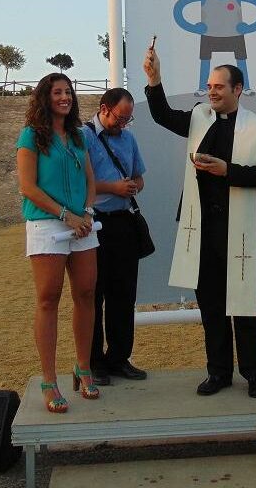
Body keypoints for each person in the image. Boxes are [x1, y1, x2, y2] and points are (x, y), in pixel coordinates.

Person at [143, 46, 256, 398]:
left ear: (237, 89)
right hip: (201, 229)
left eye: (219, 87)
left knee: (245, 303)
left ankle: (254, 373)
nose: (212, 92)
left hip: (238, 229)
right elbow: (163, 115)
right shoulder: (199, 117)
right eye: (210, 87)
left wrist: (228, 170)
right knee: (211, 305)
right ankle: (218, 372)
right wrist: (154, 80)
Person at [16, 73, 99, 413]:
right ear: (45, 98)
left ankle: (83, 367)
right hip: (48, 223)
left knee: (87, 293)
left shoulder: (79, 135)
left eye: (68, 92)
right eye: (57, 92)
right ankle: (49, 381)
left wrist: (87, 212)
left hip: (83, 224)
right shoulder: (31, 135)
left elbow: (90, 180)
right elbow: (28, 187)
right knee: (49, 298)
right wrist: (66, 215)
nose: (65, 97)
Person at [82, 88, 149, 386]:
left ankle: (119, 358)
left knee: (124, 294)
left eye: (127, 119)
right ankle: (94, 362)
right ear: (104, 108)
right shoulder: (83, 137)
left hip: (124, 223)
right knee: (92, 295)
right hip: (94, 223)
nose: (123, 125)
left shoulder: (128, 139)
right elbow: (79, 182)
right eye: (120, 118)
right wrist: (113, 188)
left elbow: (139, 177)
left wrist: (133, 186)